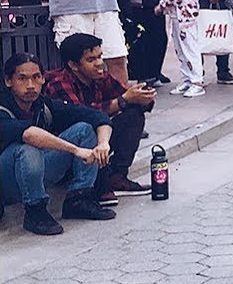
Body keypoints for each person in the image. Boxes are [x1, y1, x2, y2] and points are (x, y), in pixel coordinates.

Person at [1, 53, 116, 235]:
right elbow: (29, 134)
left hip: (36, 171)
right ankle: (35, 210)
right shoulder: (2, 107)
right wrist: (76, 150)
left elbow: (95, 116)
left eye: (36, 77)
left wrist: (103, 144)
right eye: (22, 79)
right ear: (9, 81)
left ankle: (78, 198)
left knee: (84, 129)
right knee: (27, 149)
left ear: (42, 79)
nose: (30, 85)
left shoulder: (42, 105)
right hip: (7, 182)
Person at [44, 33, 154, 201]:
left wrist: (142, 97)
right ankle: (92, 185)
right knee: (90, 127)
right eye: (91, 60)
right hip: (68, 148)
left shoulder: (100, 76)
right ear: (73, 65)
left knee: (133, 115)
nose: (99, 64)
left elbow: (124, 97)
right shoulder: (59, 83)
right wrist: (124, 100)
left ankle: (117, 176)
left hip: (99, 139)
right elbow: (83, 114)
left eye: (100, 57)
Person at [160, 0, 217, 98]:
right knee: (180, 48)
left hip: (185, 16)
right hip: (178, 16)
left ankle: (196, 80)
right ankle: (187, 78)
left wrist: (162, 5)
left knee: (189, 48)